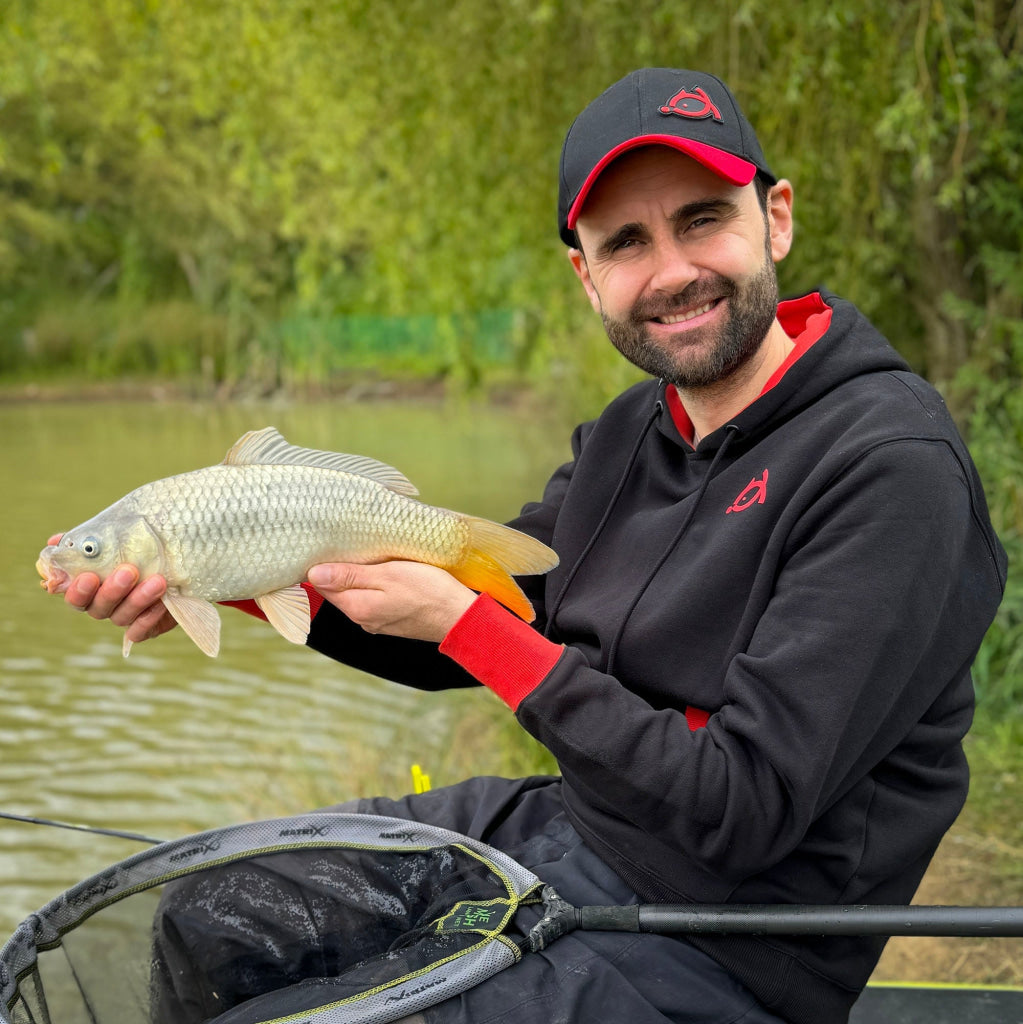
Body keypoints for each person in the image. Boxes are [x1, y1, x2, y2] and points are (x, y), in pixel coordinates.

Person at [49, 68, 1007, 1024]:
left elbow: (737, 808)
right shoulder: (632, 432)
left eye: (702, 219)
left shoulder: (890, 466)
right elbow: (482, 623)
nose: (671, 270)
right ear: (585, 275)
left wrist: (472, 627)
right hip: (566, 825)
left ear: (776, 218)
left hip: (729, 946)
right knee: (209, 914)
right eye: (625, 242)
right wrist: (239, 579)